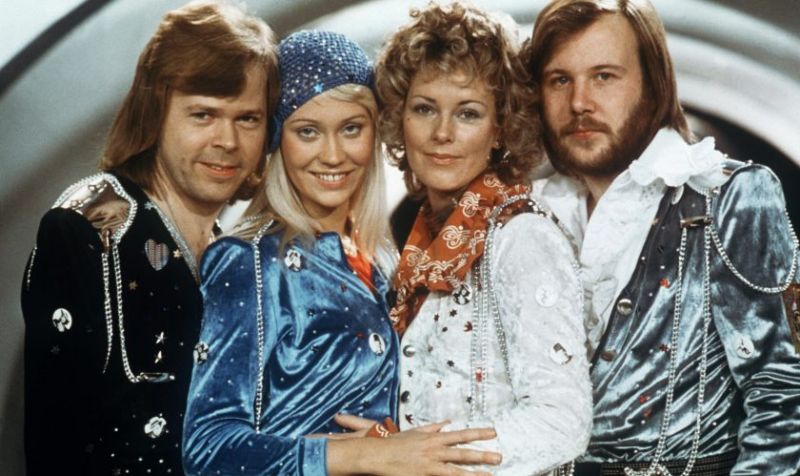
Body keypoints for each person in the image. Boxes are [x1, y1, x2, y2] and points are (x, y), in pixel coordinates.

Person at [182, 30, 502, 476]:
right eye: (307, 132)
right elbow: (208, 448)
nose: (333, 155)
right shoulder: (249, 261)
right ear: (277, 141)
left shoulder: (384, 260)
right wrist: (364, 455)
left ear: (375, 133)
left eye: (351, 129)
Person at [522, 0, 800, 474]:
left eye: (604, 76)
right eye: (560, 80)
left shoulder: (729, 196)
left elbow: (781, 395)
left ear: (653, 87)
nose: (580, 103)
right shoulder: (530, 214)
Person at [20, 2, 278, 474]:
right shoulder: (89, 228)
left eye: (248, 119)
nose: (227, 140)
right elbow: (53, 440)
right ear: (155, 111)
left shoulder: (238, 257)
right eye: (203, 115)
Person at [341, 3, 593, 475]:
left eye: (468, 113)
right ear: (399, 119)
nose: (442, 133)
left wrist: (414, 455)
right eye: (424, 109)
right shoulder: (417, 240)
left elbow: (561, 423)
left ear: (500, 128)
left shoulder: (522, 237)